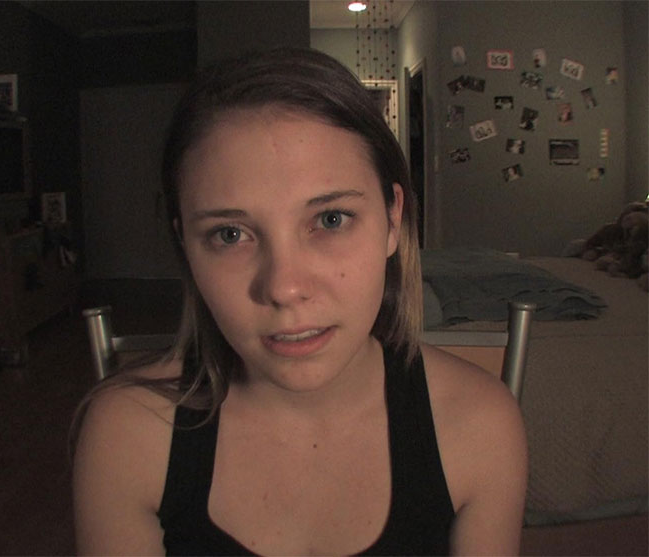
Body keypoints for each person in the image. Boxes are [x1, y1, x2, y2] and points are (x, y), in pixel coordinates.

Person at [72, 47, 527, 556]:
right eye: (229, 234)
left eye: (331, 219)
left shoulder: (479, 426)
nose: (284, 288)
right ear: (186, 246)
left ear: (393, 220)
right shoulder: (127, 436)